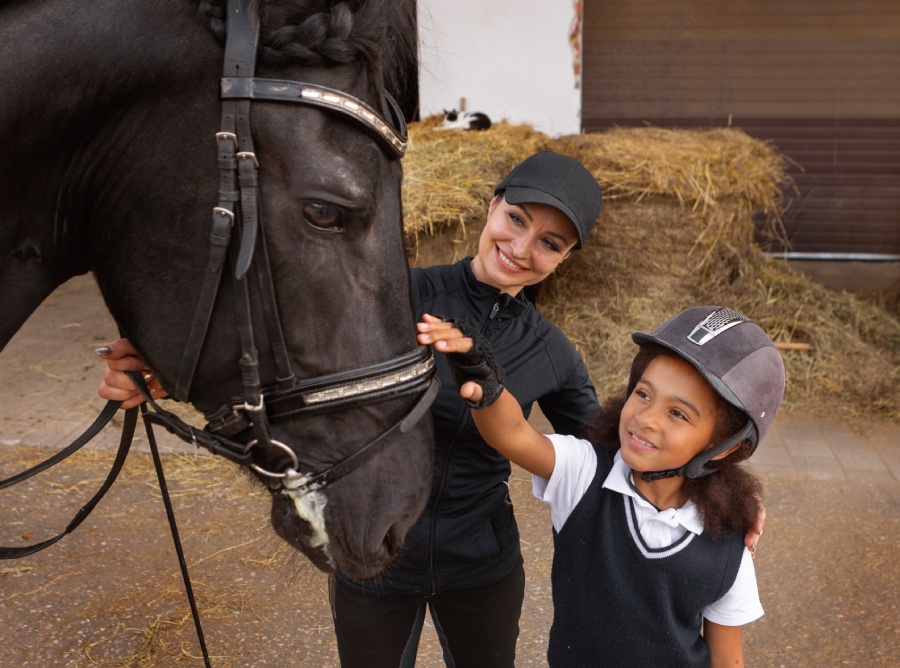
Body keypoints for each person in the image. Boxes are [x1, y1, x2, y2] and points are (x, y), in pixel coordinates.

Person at [97, 152, 764, 667]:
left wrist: (725, 491)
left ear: (565, 260)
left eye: (550, 243)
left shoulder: (554, 354)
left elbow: (617, 455)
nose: (523, 248)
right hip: (373, 551)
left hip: (484, 565)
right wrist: (165, 374)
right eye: (517, 219)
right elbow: (283, 360)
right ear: (492, 206)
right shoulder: (393, 294)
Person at [417, 305, 785, 666]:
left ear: (726, 446)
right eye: (643, 394)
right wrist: (486, 385)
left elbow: (727, 658)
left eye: (678, 413)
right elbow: (513, 435)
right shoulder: (585, 473)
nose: (646, 418)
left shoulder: (727, 548)